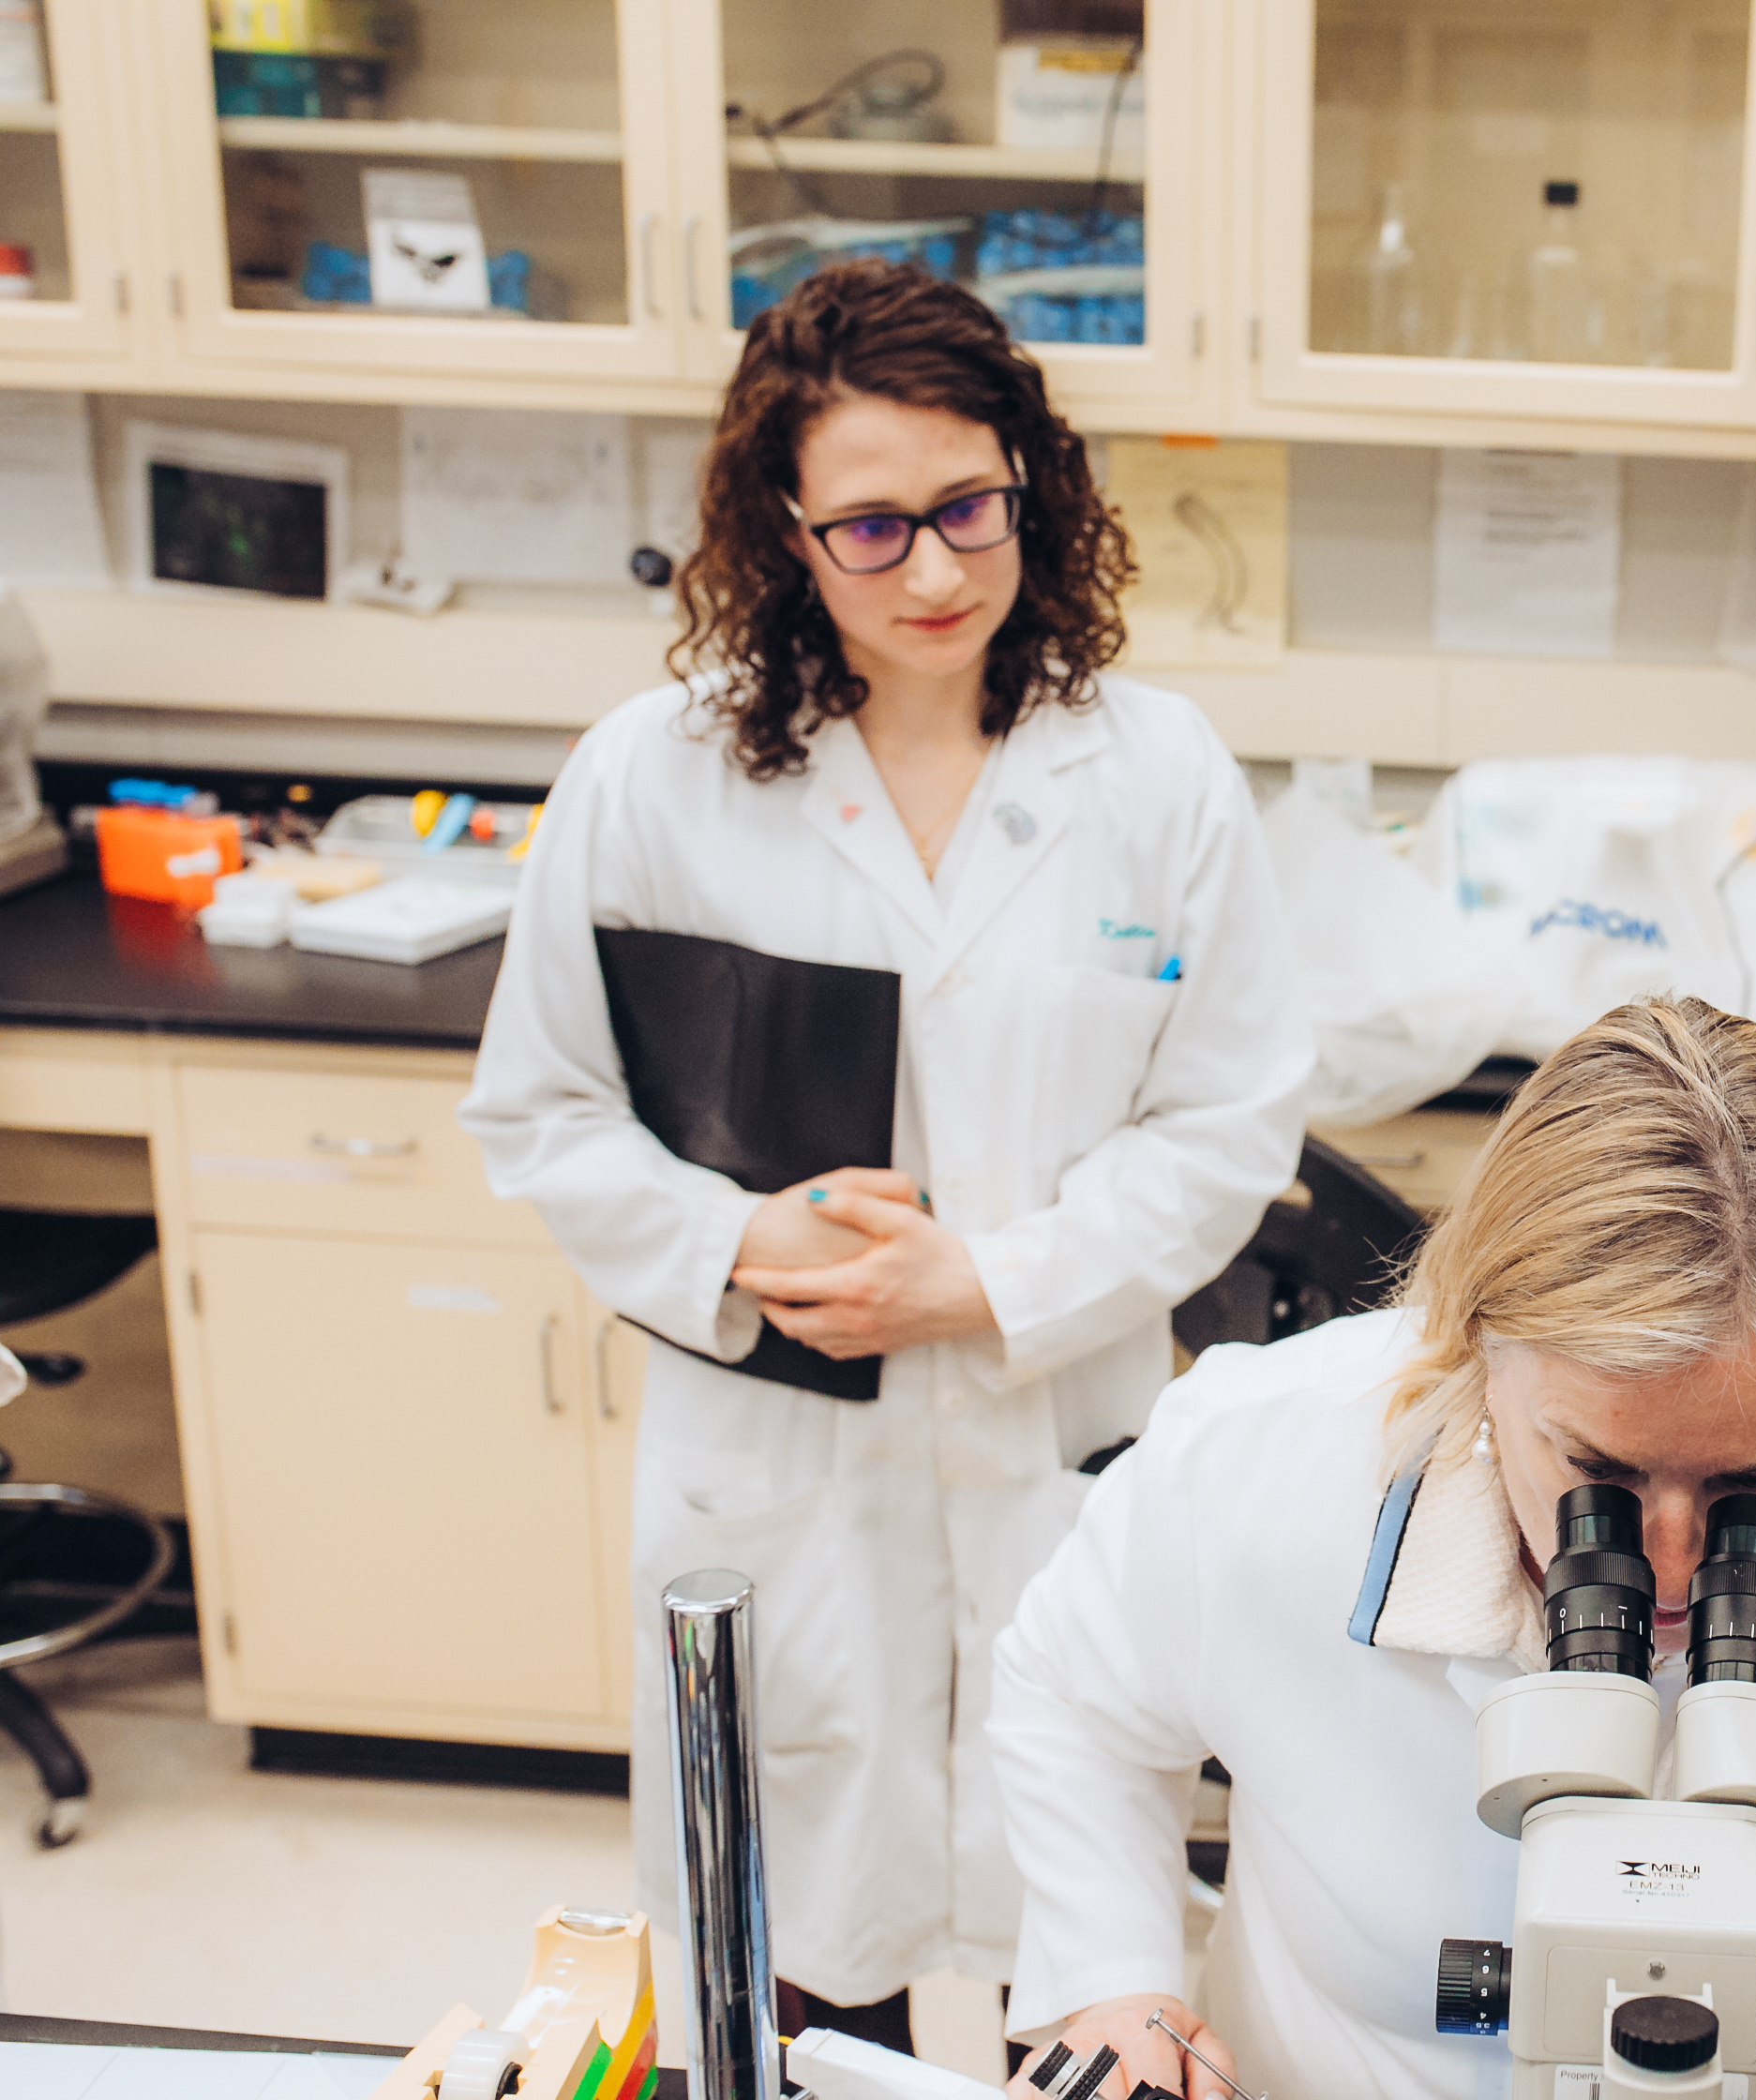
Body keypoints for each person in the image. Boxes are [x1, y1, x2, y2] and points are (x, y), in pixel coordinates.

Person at [459, 262, 1310, 2047]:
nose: (932, 571)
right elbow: (540, 1109)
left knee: (1080, 1973)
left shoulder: (1155, 776)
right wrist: (736, 1239)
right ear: (783, 531)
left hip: (1050, 1442)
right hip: (779, 1471)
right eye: (869, 528)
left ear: (1034, 485)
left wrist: (990, 1282)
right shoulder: (650, 782)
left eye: (968, 508)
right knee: (781, 1976)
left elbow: (1231, 1120)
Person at [988, 998, 1756, 2100]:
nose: (1671, 1564)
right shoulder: (1258, 1469)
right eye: (1599, 1479)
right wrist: (1112, 1986)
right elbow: (1076, 1699)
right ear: (1476, 1350)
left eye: (1754, 1484)